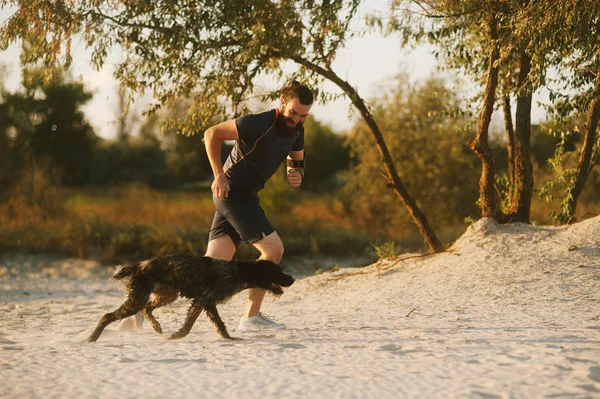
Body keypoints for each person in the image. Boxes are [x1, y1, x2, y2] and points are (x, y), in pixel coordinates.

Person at [204, 81, 313, 332]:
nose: (297, 120)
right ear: (282, 104)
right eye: (293, 113)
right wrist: (218, 174)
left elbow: (295, 161)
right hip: (232, 192)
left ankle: (145, 305)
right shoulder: (259, 123)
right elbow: (212, 133)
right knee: (273, 250)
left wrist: (296, 174)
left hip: (246, 196)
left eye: (303, 116)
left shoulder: (297, 130)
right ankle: (250, 319)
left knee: (208, 270)